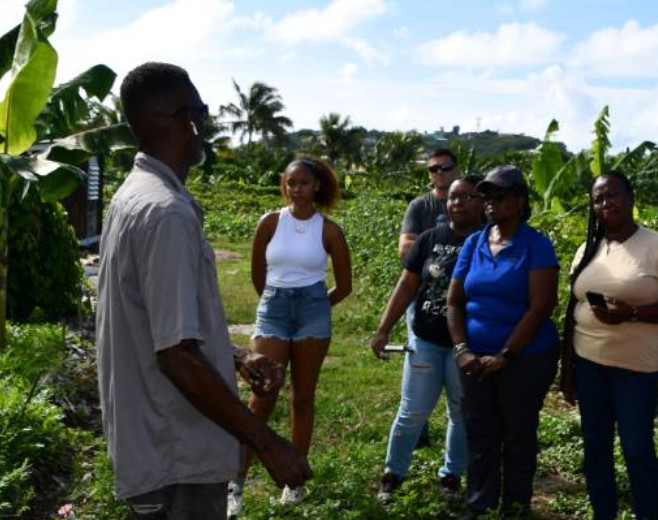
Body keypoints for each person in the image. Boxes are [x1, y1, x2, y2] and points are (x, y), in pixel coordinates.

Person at [96, 62, 309, 520]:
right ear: (185, 120)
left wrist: (236, 355)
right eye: (203, 112)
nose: (205, 126)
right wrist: (267, 443)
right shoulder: (165, 213)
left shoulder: (133, 197)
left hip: (157, 447)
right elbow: (175, 356)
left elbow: (159, 324)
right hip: (176, 456)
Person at [558, 172, 658, 520]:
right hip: (589, 365)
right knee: (595, 449)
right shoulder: (587, 248)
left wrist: (632, 313)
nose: (606, 203)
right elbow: (574, 308)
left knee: (637, 451)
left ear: (631, 198)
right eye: (598, 199)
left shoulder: (657, 246)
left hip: (635, 371)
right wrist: (568, 369)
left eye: (612, 195)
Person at [229, 157, 353, 512]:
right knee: (262, 393)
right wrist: (275, 303)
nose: (296, 189)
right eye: (291, 182)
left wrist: (316, 307)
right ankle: (235, 482)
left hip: (313, 312)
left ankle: (294, 482)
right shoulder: (270, 222)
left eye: (303, 183)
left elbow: (344, 286)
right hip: (274, 307)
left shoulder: (329, 230)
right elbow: (258, 274)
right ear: (284, 184)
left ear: (317, 186)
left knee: (302, 398)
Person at [447, 165, 559, 518]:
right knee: (480, 431)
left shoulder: (536, 245)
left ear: (520, 201)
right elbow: (454, 301)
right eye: (487, 197)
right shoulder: (475, 242)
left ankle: (515, 506)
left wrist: (506, 354)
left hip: (526, 356)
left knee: (518, 433)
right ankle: (480, 504)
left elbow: (542, 307)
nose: (491, 203)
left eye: (500, 196)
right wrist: (462, 349)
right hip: (474, 357)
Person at [369, 176, 486, 504]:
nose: (457, 202)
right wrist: (383, 328)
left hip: (466, 345)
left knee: (460, 413)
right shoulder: (430, 238)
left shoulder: (488, 241)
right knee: (412, 412)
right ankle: (393, 474)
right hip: (426, 341)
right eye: (453, 197)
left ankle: (451, 476)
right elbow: (407, 285)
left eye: (466, 196)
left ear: (482, 202)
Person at [399, 149, 460, 449]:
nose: (439, 173)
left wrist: (428, 249)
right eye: (433, 169)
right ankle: (419, 429)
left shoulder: (472, 202)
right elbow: (404, 249)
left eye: (445, 167)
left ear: (456, 169)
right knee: (419, 357)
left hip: (461, 298)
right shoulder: (420, 205)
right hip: (423, 295)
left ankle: (457, 436)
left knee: (458, 361)